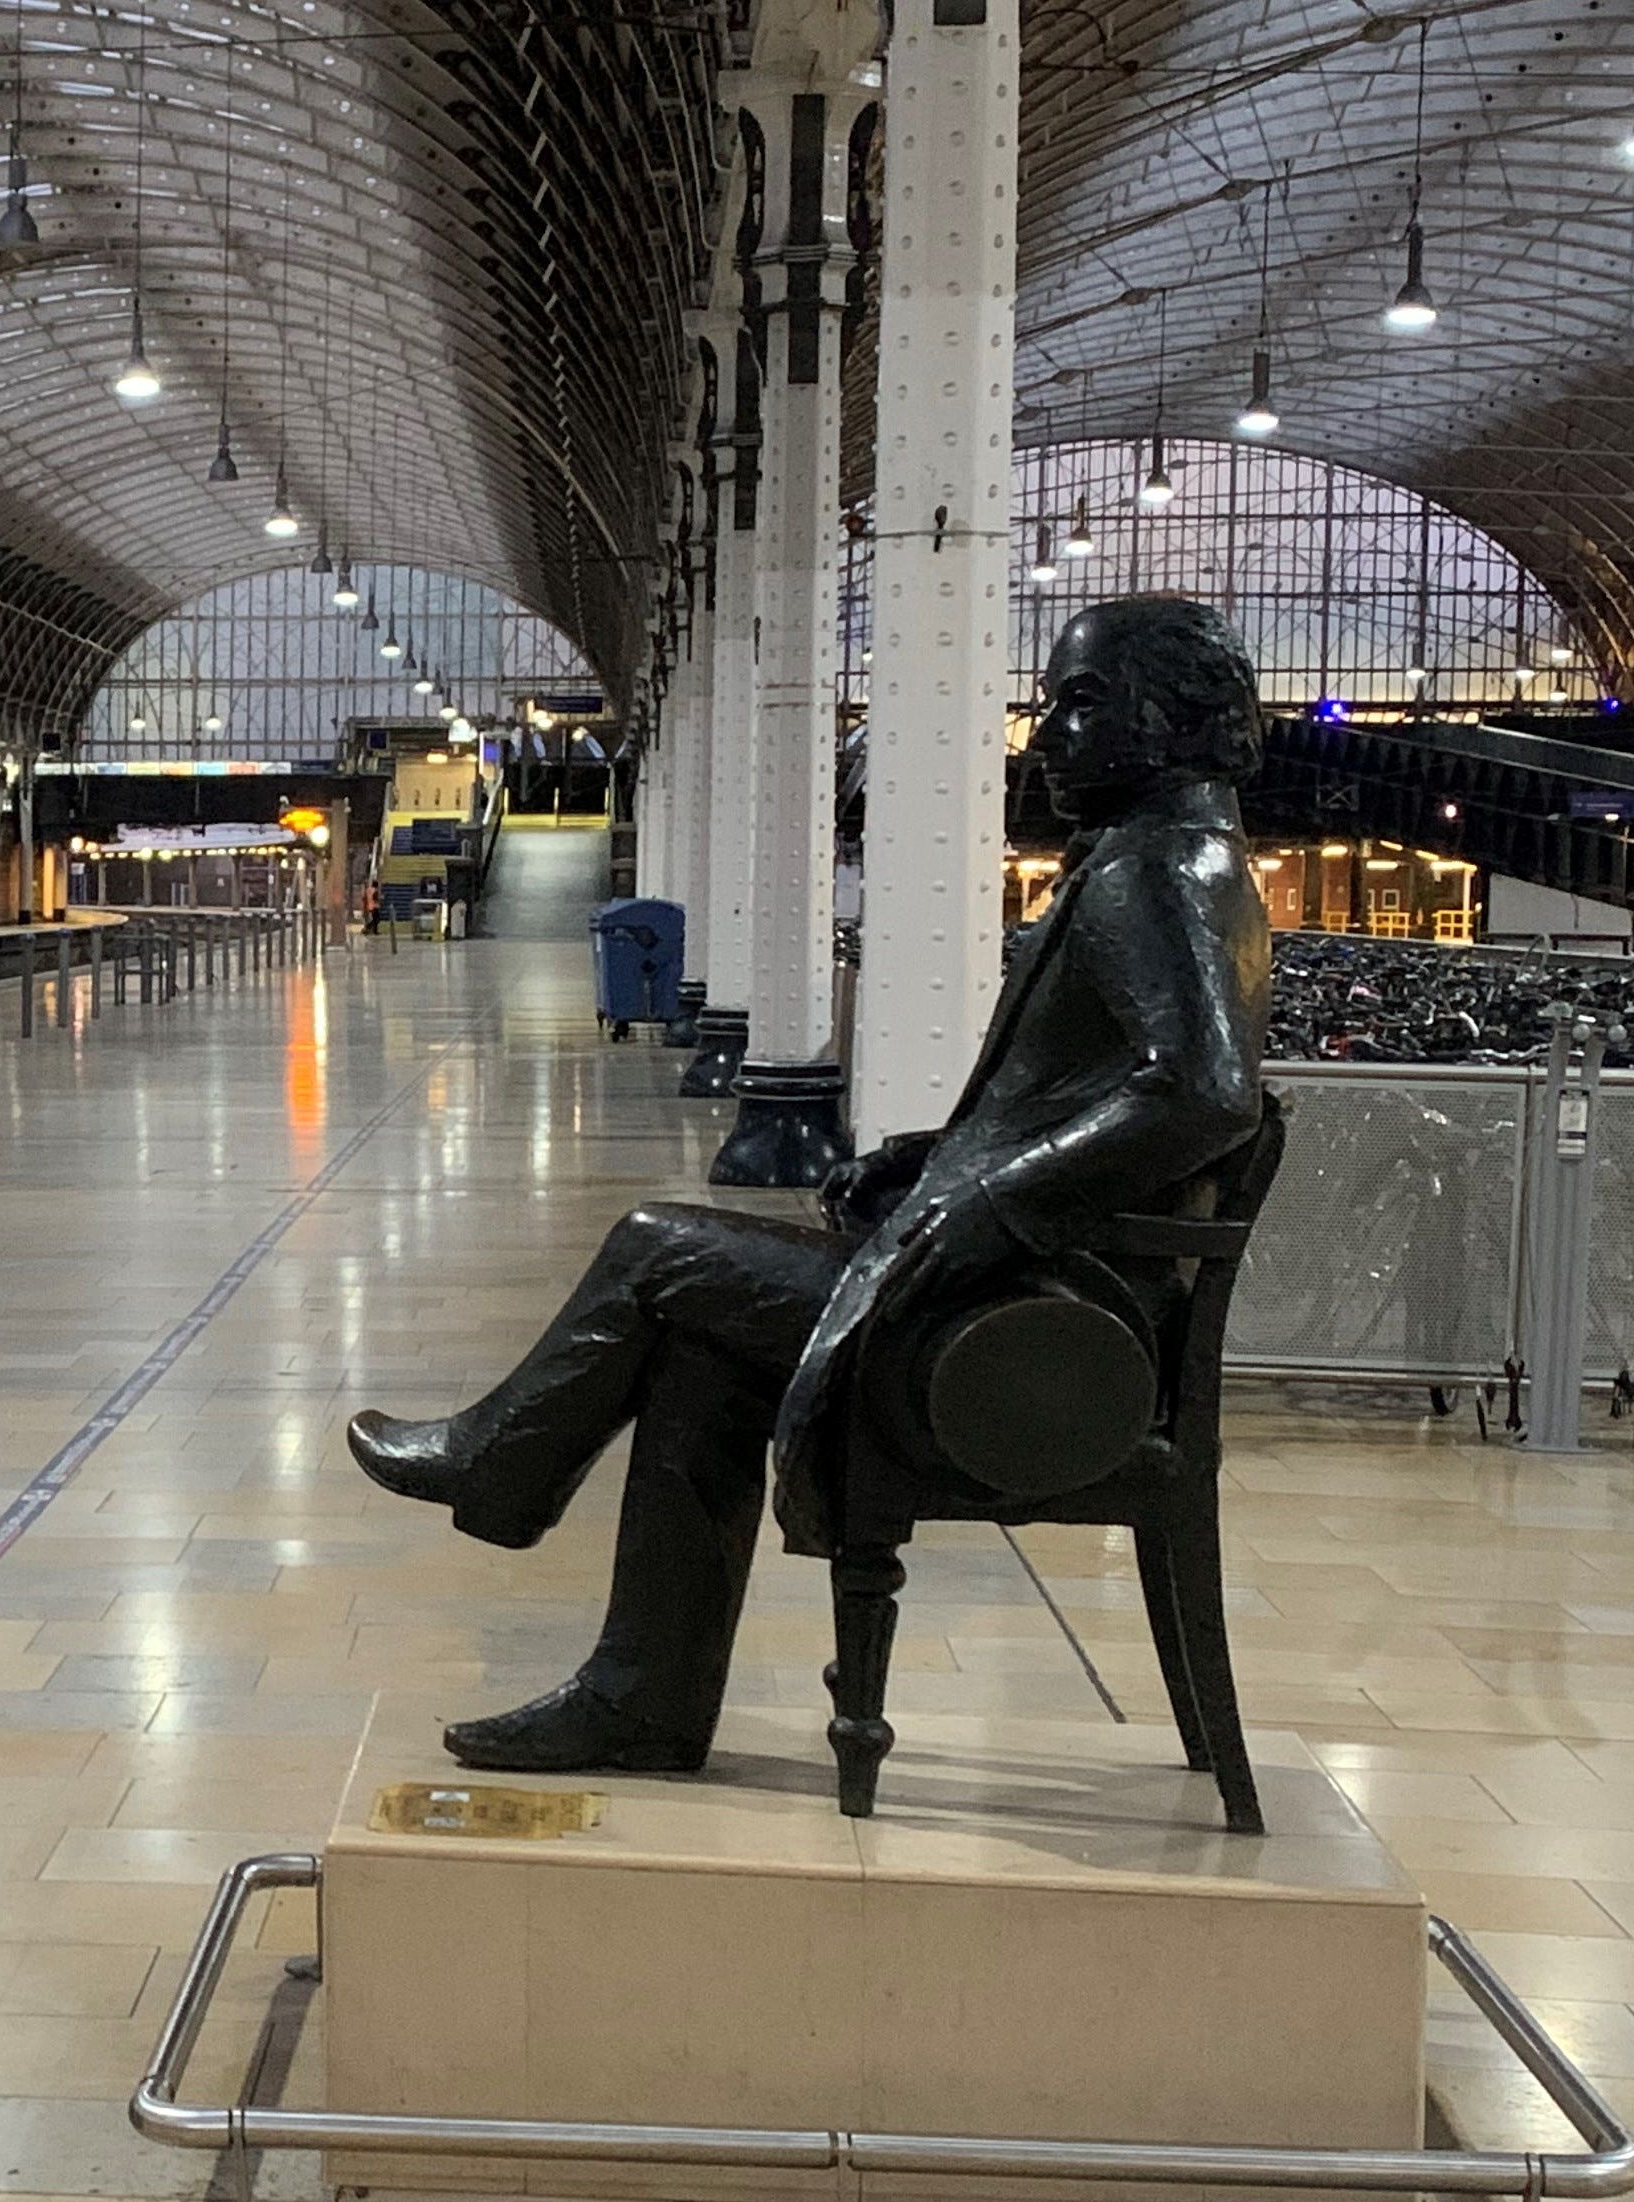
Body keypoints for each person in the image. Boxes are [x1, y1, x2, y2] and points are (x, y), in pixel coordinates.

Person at [348, 594, 1275, 1772]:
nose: (1048, 739)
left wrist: (991, 1200)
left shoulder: (1159, 872)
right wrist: (929, 1163)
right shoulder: (1178, 863)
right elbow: (1091, 1096)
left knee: (655, 1244)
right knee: (698, 1348)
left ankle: (503, 1462)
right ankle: (643, 1699)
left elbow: (1202, 1091)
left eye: (1079, 705)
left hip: (1027, 1324)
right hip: (1033, 1287)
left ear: (1179, 718)